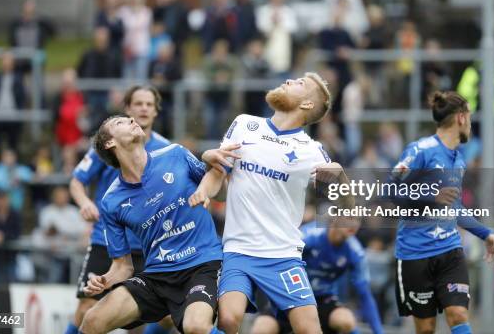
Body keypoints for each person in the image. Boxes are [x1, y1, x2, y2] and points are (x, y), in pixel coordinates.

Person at [190, 72, 344, 334]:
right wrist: (204, 190)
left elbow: (341, 199)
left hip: (283, 255)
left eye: (299, 84)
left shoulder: (311, 149)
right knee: (228, 319)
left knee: (310, 330)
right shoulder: (244, 124)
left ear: (307, 104)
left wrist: (342, 179)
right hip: (238, 249)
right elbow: (218, 172)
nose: (289, 81)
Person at [79, 116, 223, 334]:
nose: (131, 119)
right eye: (120, 123)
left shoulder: (175, 154)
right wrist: (106, 280)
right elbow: (123, 266)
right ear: (110, 143)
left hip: (201, 265)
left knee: (196, 327)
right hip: (157, 276)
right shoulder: (111, 201)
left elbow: (221, 193)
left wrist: (213, 174)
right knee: (92, 320)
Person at [388, 91, 494, 334]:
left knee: (458, 313)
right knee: (426, 329)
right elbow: (390, 190)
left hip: (450, 251)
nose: (471, 125)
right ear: (461, 118)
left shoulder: (459, 161)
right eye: (470, 118)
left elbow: (455, 209)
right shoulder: (420, 150)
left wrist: (486, 234)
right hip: (415, 253)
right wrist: (431, 197)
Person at [64, 85, 170, 334]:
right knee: (86, 309)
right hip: (106, 239)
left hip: (146, 245)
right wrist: (85, 202)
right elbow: (77, 181)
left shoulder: (166, 149)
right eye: (138, 103)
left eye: (149, 104)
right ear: (128, 110)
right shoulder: (108, 144)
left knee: (143, 318)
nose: (144, 108)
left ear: (156, 112)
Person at [250, 219, 384, 334]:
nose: (354, 224)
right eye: (349, 217)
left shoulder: (355, 252)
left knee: (345, 320)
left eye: (358, 219)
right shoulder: (308, 236)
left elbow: (365, 294)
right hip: (291, 296)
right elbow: (277, 263)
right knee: (261, 328)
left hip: (323, 300)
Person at [0, 51, 27, 152]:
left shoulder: (18, 79)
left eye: (9, 61)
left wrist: (19, 115)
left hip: (13, 116)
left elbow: (22, 99)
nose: (6, 63)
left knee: (13, 144)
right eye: (4, 60)